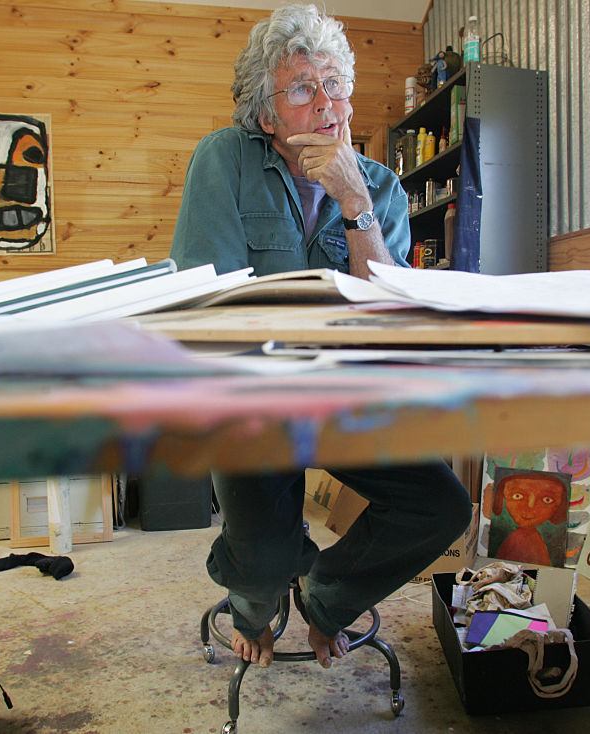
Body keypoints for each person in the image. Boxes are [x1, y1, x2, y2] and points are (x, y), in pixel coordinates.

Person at [170, 3, 471, 669]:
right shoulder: (225, 160)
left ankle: (325, 597)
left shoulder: (382, 189)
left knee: (441, 507)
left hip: (343, 400)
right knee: (262, 560)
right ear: (266, 113)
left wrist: (353, 203)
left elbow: (387, 318)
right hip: (252, 402)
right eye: (303, 87)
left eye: (336, 83)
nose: (328, 104)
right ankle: (255, 602)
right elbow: (209, 307)